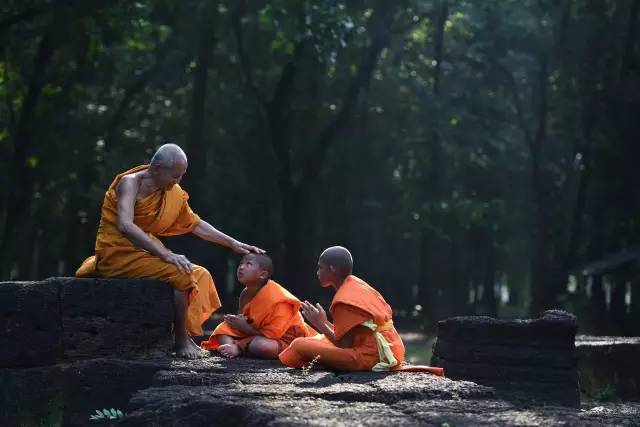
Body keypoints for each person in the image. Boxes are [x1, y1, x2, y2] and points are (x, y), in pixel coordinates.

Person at [76, 143, 263, 358]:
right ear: (156, 168)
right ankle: (180, 340)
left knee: (200, 274)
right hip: (118, 251)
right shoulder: (130, 183)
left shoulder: (172, 192)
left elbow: (195, 224)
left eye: (181, 176)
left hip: (145, 250)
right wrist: (165, 254)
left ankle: (183, 334)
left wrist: (232, 243)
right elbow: (125, 226)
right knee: (181, 272)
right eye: (175, 176)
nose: (178, 182)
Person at [279, 246, 444, 376]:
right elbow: (351, 334)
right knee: (318, 339)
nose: (317, 272)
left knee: (299, 344)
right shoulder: (358, 285)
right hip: (393, 349)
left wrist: (319, 323)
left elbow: (344, 344)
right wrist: (324, 323)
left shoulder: (343, 299)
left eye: (320, 268)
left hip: (372, 357)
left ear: (332, 269)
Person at [201, 253, 315, 359]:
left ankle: (238, 348)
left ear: (263, 274)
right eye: (241, 263)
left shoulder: (278, 299)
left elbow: (273, 335)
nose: (241, 267)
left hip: (284, 340)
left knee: (261, 346)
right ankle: (230, 346)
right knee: (223, 328)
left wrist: (244, 328)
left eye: (248, 264)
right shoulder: (245, 294)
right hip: (255, 333)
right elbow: (245, 321)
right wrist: (237, 321)